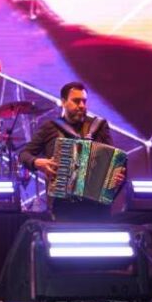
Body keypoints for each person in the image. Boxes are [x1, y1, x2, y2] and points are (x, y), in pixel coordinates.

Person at [19, 81, 124, 221]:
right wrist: (37, 162)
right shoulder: (50, 127)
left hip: (97, 207)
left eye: (84, 101)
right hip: (63, 207)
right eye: (76, 101)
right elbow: (24, 154)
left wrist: (116, 176)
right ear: (63, 102)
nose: (81, 105)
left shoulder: (99, 127)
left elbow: (113, 162)